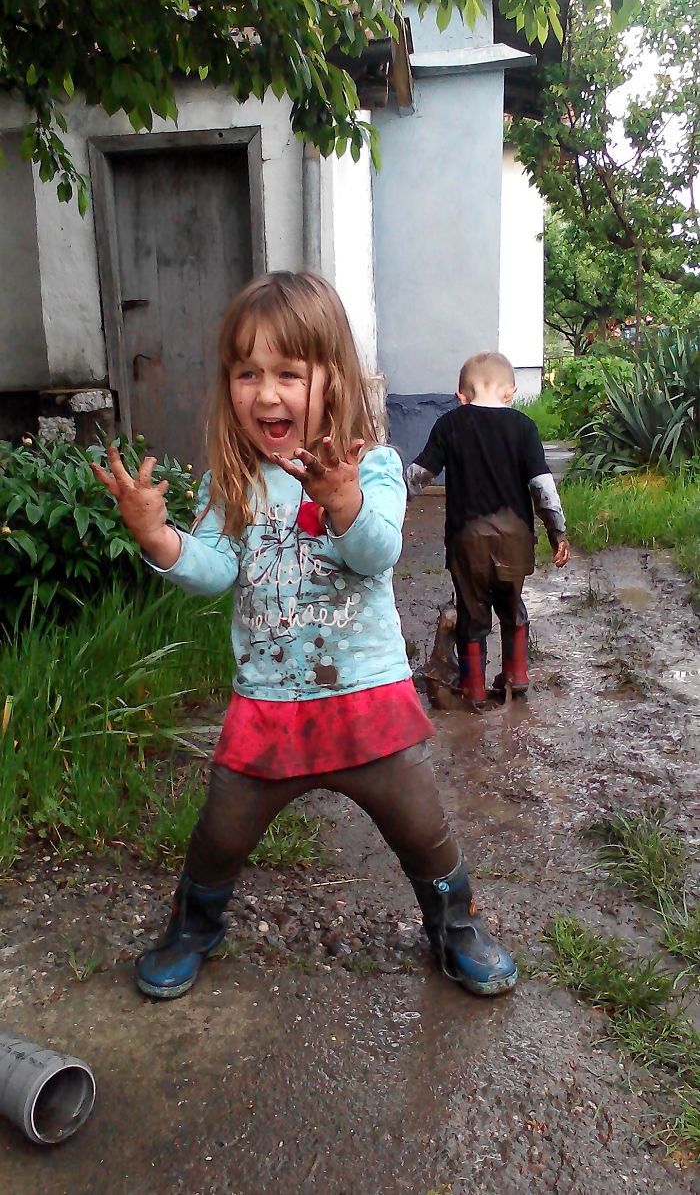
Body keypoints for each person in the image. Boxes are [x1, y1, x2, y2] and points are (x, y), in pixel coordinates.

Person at [92, 273, 517, 1001]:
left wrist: (342, 499)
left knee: (421, 827)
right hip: (269, 708)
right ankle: (196, 924)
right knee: (221, 833)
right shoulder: (232, 484)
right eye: (247, 372)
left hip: (366, 701)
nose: (267, 394)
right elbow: (211, 571)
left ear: (333, 378)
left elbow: (378, 551)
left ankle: (455, 924)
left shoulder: (374, 467)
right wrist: (157, 536)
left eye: (289, 372)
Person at [406, 351, 570, 708]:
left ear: (460, 395)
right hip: (515, 539)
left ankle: (475, 690)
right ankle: (516, 675)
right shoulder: (524, 427)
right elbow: (543, 486)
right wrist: (557, 531)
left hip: (468, 541)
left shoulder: (449, 425)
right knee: (512, 607)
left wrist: (387, 499)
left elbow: (419, 475)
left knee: (472, 612)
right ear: (510, 391)